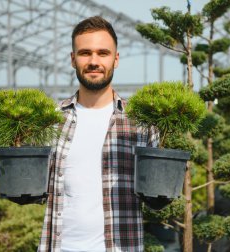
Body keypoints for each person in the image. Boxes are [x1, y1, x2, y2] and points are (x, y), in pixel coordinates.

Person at [38, 16, 159, 252]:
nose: (94, 61)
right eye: (85, 53)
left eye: (103, 53)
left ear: (116, 59)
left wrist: (161, 198)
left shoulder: (140, 122)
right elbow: (36, 186)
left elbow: (160, 186)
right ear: (73, 59)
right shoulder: (51, 120)